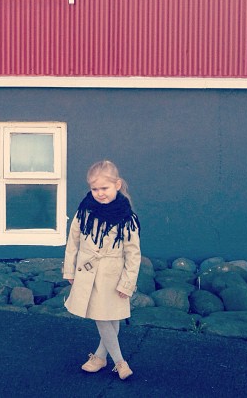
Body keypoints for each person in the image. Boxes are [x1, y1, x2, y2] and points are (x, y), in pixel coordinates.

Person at [62, 160, 141, 380]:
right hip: (87, 273)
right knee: (102, 317)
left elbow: (133, 254)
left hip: (112, 275)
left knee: (111, 316)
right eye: (94, 189)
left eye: (104, 188)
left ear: (117, 184)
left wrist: (127, 283)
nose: (99, 193)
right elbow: (73, 242)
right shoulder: (84, 212)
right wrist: (69, 270)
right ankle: (120, 362)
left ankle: (100, 357)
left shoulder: (127, 218)